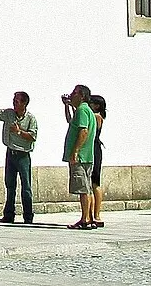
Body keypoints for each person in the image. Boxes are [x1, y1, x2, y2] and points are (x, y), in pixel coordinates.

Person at [0, 88, 38, 224]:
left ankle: (28, 216)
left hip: (23, 155)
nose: (14, 103)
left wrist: (19, 132)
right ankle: (9, 214)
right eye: (14, 101)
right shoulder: (9, 114)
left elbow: (33, 136)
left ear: (24, 104)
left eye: (17, 101)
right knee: (10, 185)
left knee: (26, 187)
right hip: (10, 153)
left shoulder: (30, 118)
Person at [61, 84, 99, 230]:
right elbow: (71, 121)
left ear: (81, 95)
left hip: (81, 156)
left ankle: (85, 219)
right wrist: (67, 106)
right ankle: (88, 217)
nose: (71, 95)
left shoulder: (82, 110)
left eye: (74, 93)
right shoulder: (84, 110)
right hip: (87, 156)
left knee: (83, 189)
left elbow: (83, 131)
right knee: (87, 188)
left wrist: (75, 151)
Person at [86, 94, 108, 228]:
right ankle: (90, 214)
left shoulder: (97, 116)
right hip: (90, 148)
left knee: (95, 182)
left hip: (94, 148)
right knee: (88, 184)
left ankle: (97, 214)